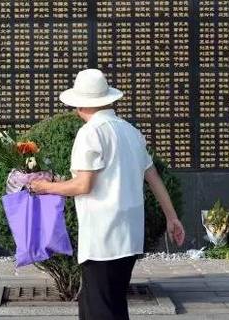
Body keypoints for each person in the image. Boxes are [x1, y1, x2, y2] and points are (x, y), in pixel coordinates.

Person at [28, 68, 185, 320]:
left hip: (102, 238)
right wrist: (172, 218)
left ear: (80, 105)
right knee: (115, 306)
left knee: (97, 309)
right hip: (130, 236)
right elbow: (153, 177)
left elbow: (82, 186)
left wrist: (45, 187)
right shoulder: (131, 132)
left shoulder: (90, 133)